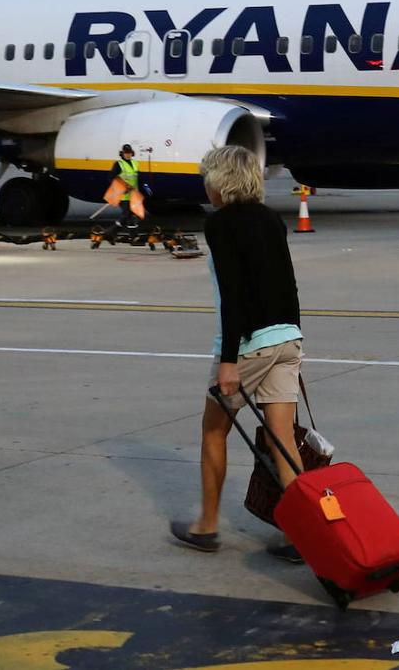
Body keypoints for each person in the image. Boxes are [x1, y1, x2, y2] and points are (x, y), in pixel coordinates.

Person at [170, 145, 305, 562]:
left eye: (206, 177)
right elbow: (287, 282)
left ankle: (207, 527)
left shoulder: (222, 224)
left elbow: (232, 296)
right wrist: (293, 339)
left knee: (214, 431)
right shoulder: (270, 219)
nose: (205, 186)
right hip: (287, 338)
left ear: (221, 181)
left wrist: (228, 359)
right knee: (282, 439)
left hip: (249, 345)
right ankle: (304, 533)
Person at [110, 144, 142, 228]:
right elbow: (111, 178)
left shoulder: (135, 163)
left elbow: (138, 178)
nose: (128, 155)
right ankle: (112, 231)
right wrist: (124, 186)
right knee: (126, 214)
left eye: (129, 153)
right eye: (126, 153)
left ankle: (132, 235)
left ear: (132, 153)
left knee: (132, 215)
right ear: (122, 154)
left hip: (133, 195)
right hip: (123, 195)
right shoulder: (118, 164)